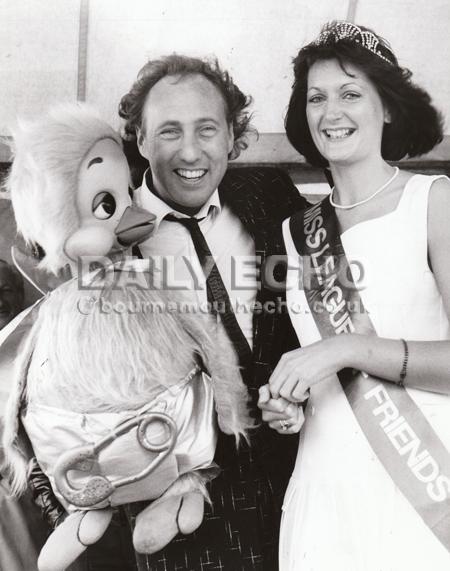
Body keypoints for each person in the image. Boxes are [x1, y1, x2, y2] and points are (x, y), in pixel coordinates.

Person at [261, 21, 450, 570]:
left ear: (387, 108)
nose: (330, 112)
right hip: (324, 495)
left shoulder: (433, 201)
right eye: (316, 97)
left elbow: (338, 353)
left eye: (351, 94)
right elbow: (315, 368)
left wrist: (344, 349)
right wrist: (287, 403)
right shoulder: (297, 231)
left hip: (421, 488)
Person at [113, 54, 307, 570]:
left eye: (207, 129)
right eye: (170, 131)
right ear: (141, 140)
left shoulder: (272, 197)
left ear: (231, 137)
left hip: (301, 484)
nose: (192, 151)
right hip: (188, 515)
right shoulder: (108, 240)